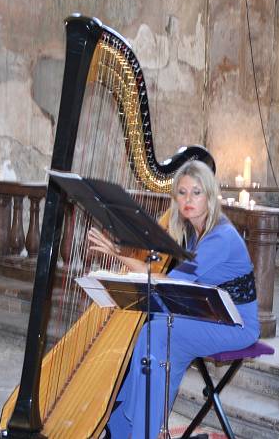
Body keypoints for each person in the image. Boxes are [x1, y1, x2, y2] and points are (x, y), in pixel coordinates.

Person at [88, 159, 260, 439]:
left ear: (210, 196)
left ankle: (133, 426)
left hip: (237, 326)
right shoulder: (198, 233)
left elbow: (171, 282)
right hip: (211, 315)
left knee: (157, 334)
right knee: (156, 329)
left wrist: (118, 254)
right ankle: (130, 425)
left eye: (196, 192)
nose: (188, 199)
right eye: (181, 192)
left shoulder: (221, 238)